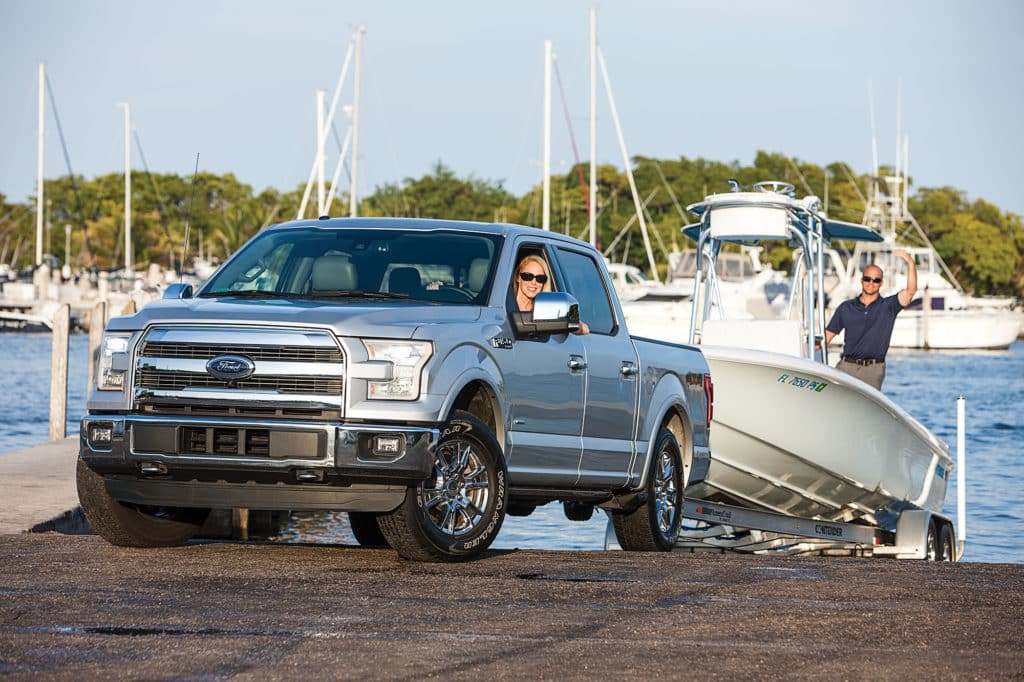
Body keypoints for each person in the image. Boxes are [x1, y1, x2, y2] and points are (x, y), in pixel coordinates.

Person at [823, 249, 917, 390]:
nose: (871, 283)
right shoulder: (846, 307)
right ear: (862, 280)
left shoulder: (889, 306)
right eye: (867, 279)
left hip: (873, 370)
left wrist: (910, 262)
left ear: (881, 283)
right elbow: (827, 337)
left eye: (876, 280)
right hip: (846, 367)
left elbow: (911, 291)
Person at [515, 255, 589, 335]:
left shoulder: (545, 308)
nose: (533, 282)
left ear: (544, 282)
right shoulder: (502, 302)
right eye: (527, 276)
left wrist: (568, 321)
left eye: (540, 278)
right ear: (518, 277)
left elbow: (585, 329)